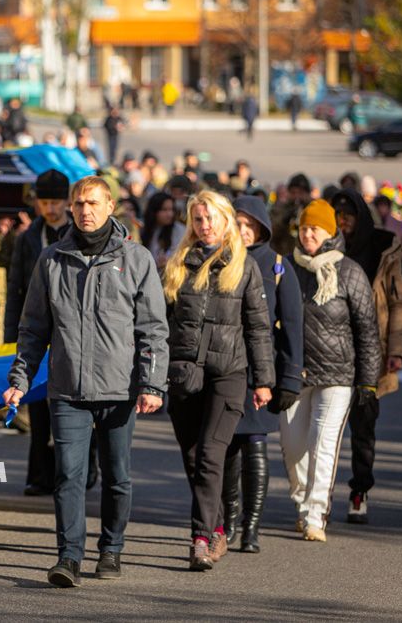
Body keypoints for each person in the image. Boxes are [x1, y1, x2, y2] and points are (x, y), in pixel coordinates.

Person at [3, 176, 169, 588]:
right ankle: (69, 557)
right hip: (67, 388)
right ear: (71, 209)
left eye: (93, 203)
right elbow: (34, 328)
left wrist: (152, 384)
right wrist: (20, 379)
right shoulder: (51, 259)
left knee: (117, 475)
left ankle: (111, 548)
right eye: (79, 204)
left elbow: (153, 328)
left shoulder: (136, 259)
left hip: (120, 388)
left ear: (111, 206)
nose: (85, 211)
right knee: (68, 475)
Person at [162, 190, 275, 571]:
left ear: (226, 221)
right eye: (198, 219)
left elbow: (259, 329)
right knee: (194, 458)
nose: (205, 225)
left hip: (229, 373)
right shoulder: (177, 264)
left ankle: (200, 538)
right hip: (185, 374)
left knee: (211, 454)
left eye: (211, 218)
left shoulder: (244, 267)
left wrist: (263, 381)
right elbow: (161, 325)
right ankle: (221, 524)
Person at [284, 199, 380, 542]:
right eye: (304, 228)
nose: (309, 234)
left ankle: (315, 515)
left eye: (316, 228)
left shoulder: (349, 272)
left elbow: (367, 332)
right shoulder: (288, 268)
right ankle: (301, 499)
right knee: (294, 447)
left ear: (330, 232)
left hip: (338, 375)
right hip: (295, 373)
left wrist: (368, 384)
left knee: (322, 443)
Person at [222, 196, 305, 554]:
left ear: (260, 227)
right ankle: (226, 520)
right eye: (236, 223)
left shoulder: (277, 265)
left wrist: (289, 378)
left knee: (255, 445)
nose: (242, 231)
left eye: (248, 224)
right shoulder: (220, 261)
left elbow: (293, 327)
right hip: (223, 367)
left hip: (261, 370)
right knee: (223, 449)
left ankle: (250, 527)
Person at [1, 170, 85, 497]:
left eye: (56, 201)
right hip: (36, 327)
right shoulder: (28, 237)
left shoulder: (77, 233)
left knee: (72, 407)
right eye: (44, 201)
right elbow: (15, 287)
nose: (50, 208)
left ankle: (77, 470)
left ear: (67, 201)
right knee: (37, 405)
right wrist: (12, 337)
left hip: (71, 331)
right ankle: (39, 474)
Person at [331, 190, 402, 525]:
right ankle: (319, 497)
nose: (343, 223)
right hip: (331, 350)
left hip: (370, 352)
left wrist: (395, 351)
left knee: (363, 428)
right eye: (337, 217)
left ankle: (359, 491)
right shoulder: (324, 248)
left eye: (348, 216)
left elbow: (397, 303)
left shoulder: (382, 246)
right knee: (327, 429)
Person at [139, 192, 186, 270]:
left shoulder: (179, 230)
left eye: (171, 209)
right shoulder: (143, 229)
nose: (169, 214)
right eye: (164, 210)